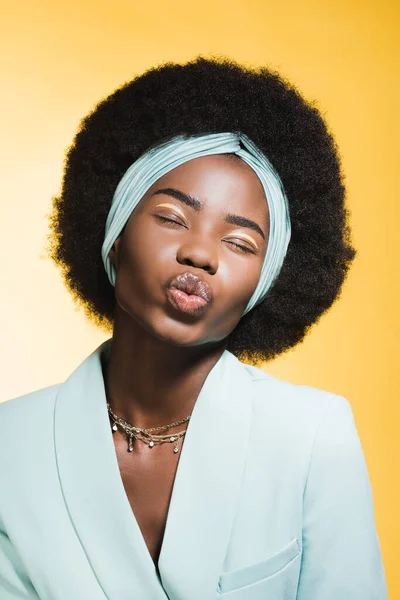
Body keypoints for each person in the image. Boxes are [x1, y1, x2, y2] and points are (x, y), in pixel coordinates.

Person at [0, 56, 388, 599]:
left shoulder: (312, 436)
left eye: (240, 243)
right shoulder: (10, 444)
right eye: (171, 217)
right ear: (112, 234)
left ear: (266, 283)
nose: (200, 252)